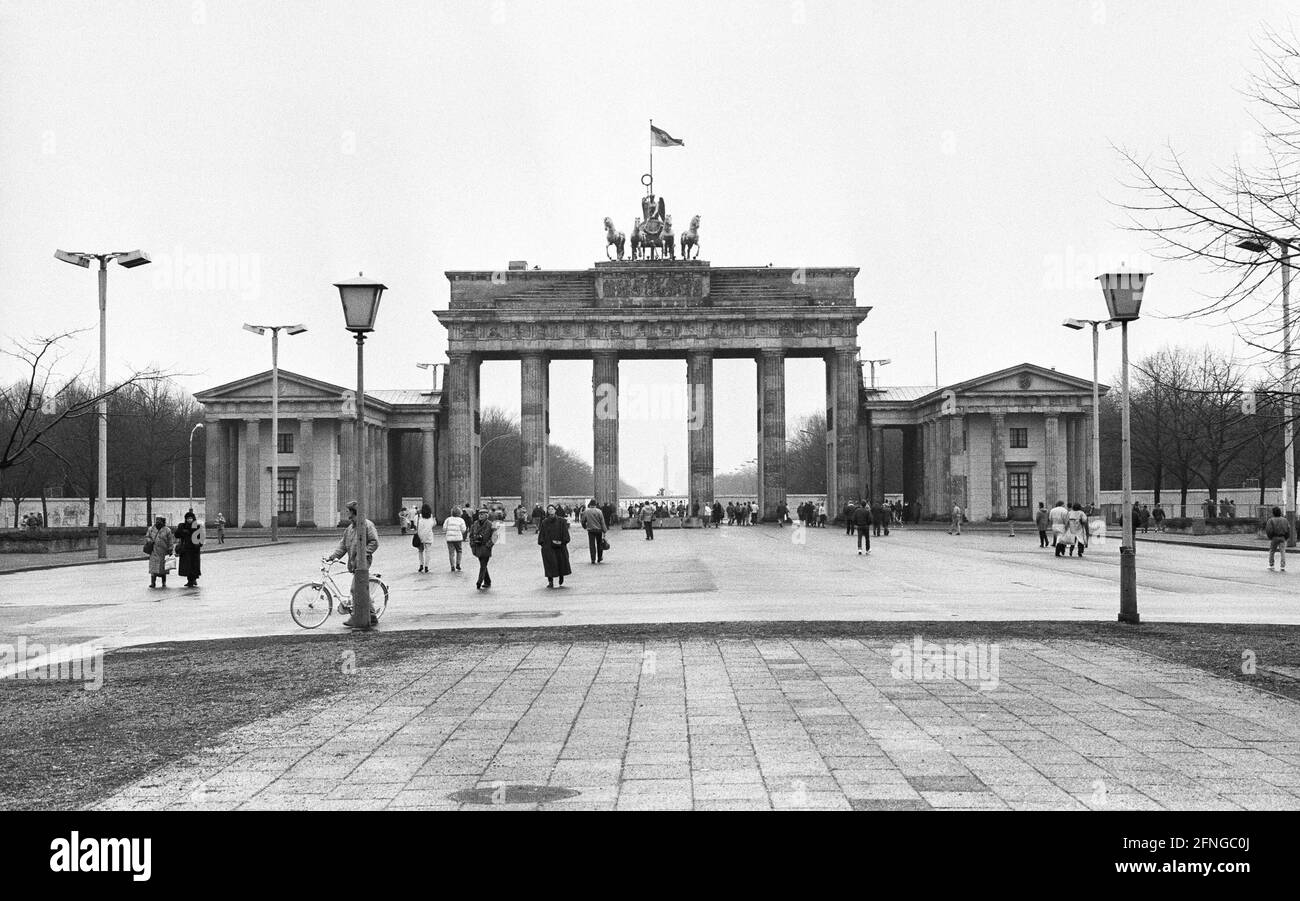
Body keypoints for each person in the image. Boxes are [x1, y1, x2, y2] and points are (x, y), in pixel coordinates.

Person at [538, 504, 573, 588]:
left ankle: (561, 575)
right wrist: (543, 543)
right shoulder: (544, 522)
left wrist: (563, 542)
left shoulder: (561, 521)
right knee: (550, 564)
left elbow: (565, 534)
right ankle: (550, 581)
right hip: (548, 546)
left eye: (552, 509)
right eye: (549, 509)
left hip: (560, 546)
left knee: (561, 562)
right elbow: (542, 534)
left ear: (555, 510)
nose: (551, 510)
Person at [468, 508, 497, 590]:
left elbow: (495, 536)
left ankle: (479, 582)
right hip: (477, 547)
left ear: (486, 516)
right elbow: (471, 535)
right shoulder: (475, 524)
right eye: (480, 514)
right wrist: (472, 544)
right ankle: (487, 581)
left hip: (485, 547)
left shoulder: (490, 524)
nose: (480, 515)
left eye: (482, 514)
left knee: (483, 565)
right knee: (483, 564)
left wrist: (489, 545)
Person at [174, 510, 203, 588]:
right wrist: (181, 529)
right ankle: (190, 580)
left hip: (194, 549)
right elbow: (177, 535)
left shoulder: (197, 526)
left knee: (194, 565)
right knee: (187, 566)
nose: (189, 520)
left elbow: (201, 538)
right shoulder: (183, 526)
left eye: (191, 518)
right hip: (185, 549)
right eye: (188, 518)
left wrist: (198, 545)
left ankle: (193, 579)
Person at [146, 516, 174, 589]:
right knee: (153, 567)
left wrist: (170, 549)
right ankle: (153, 582)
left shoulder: (167, 530)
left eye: (159, 520)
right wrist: (149, 540)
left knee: (163, 568)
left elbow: (170, 540)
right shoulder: (151, 529)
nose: (158, 522)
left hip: (163, 551)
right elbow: (147, 536)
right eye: (157, 520)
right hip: (154, 551)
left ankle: (163, 582)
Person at [581, 499, 607, 563]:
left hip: (591, 530)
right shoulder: (599, 511)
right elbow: (602, 522)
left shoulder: (586, 512)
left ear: (590, 505)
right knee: (599, 544)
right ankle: (599, 558)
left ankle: (593, 559)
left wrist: (584, 527)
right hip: (599, 530)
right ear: (595, 505)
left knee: (592, 545)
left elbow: (583, 521)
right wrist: (604, 530)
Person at [1265, 506, 1290, 571]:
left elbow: (1269, 530)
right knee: (1283, 552)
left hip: (1274, 537)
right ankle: (1282, 566)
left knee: (1272, 551)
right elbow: (1288, 529)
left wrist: (1270, 537)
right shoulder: (1285, 520)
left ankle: (1271, 565)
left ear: (1273, 513)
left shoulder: (1271, 520)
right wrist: (1286, 537)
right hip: (1282, 537)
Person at [414, 503, 436, 572]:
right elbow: (433, 524)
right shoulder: (431, 517)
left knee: (420, 551)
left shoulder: (417, 517)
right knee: (428, 551)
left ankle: (421, 564)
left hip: (420, 536)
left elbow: (415, 524)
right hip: (428, 536)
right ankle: (426, 566)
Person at [444, 505, 466, 572]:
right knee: (459, 551)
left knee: (451, 553)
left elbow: (444, 528)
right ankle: (458, 564)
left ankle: (452, 566)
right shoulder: (461, 520)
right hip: (458, 538)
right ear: (459, 513)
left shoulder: (448, 519)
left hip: (449, 539)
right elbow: (464, 529)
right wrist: (460, 532)